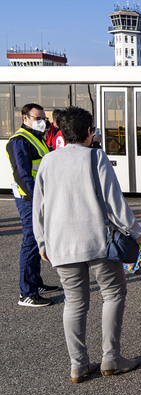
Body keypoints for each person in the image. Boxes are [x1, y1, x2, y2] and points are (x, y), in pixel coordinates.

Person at [33, 106, 141, 383]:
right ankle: (111, 357)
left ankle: (78, 365)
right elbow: (114, 203)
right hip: (98, 243)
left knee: (74, 303)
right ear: (89, 132)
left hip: (61, 245)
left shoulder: (48, 161)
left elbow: (38, 207)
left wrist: (42, 242)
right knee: (113, 294)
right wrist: (137, 232)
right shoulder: (96, 157)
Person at [7, 103, 60, 307]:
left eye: (43, 118)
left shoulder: (35, 138)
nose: (42, 122)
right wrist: (36, 198)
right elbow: (22, 175)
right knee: (31, 241)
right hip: (29, 199)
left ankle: (35, 283)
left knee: (38, 241)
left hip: (38, 197)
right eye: (37, 118)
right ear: (25, 118)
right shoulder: (19, 141)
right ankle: (26, 293)